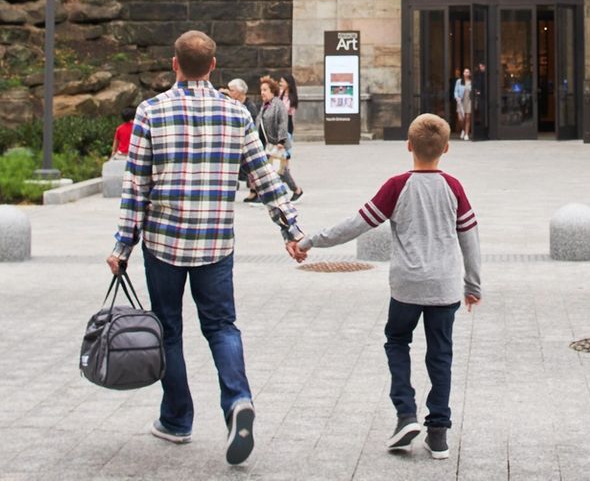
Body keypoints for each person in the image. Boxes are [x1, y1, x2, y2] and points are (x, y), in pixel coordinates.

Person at [105, 31, 304, 467]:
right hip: (216, 240)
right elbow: (264, 177)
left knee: (169, 330)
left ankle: (177, 420)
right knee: (222, 327)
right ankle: (237, 401)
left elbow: (136, 185)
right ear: (213, 67)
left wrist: (123, 243)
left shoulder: (150, 112)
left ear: (173, 64)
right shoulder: (235, 113)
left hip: (163, 241)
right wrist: (290, 227)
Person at [287, 113, 482, 460]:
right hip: (444, 287)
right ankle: (438, 431)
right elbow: (469, 237)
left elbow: (355, 225)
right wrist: (473, 285)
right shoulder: (454, 187)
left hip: (406, 286)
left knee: (396, 340)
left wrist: (308, 242)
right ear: (447, 148)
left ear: (408, 145)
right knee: (441, 354)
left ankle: (405, 413)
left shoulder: (397, 186)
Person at [258, 78, 302, 200]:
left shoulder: (278, 104)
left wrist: (281, 141)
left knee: (280, 170)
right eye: (261, 90)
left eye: (265, 90)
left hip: (276, 143)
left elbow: (283, 123)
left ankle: (296, 190)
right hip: (268, 143)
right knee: (275, 169)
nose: (262, 92)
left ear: (272, 91)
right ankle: (279, 193)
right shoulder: (266, 105)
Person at [452, 68, 475, 141]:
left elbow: (474, 91)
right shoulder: (459, 81)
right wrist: (456, 97)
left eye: (468, 72)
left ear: (470, 74)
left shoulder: (471, 82)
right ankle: (463, 129)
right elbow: (455, 91)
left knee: (467, 118)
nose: (466, 73)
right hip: (460, 101)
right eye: (465, 71)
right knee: (460, 118)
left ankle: (466, 134)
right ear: (463, 73)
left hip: (468, 101)